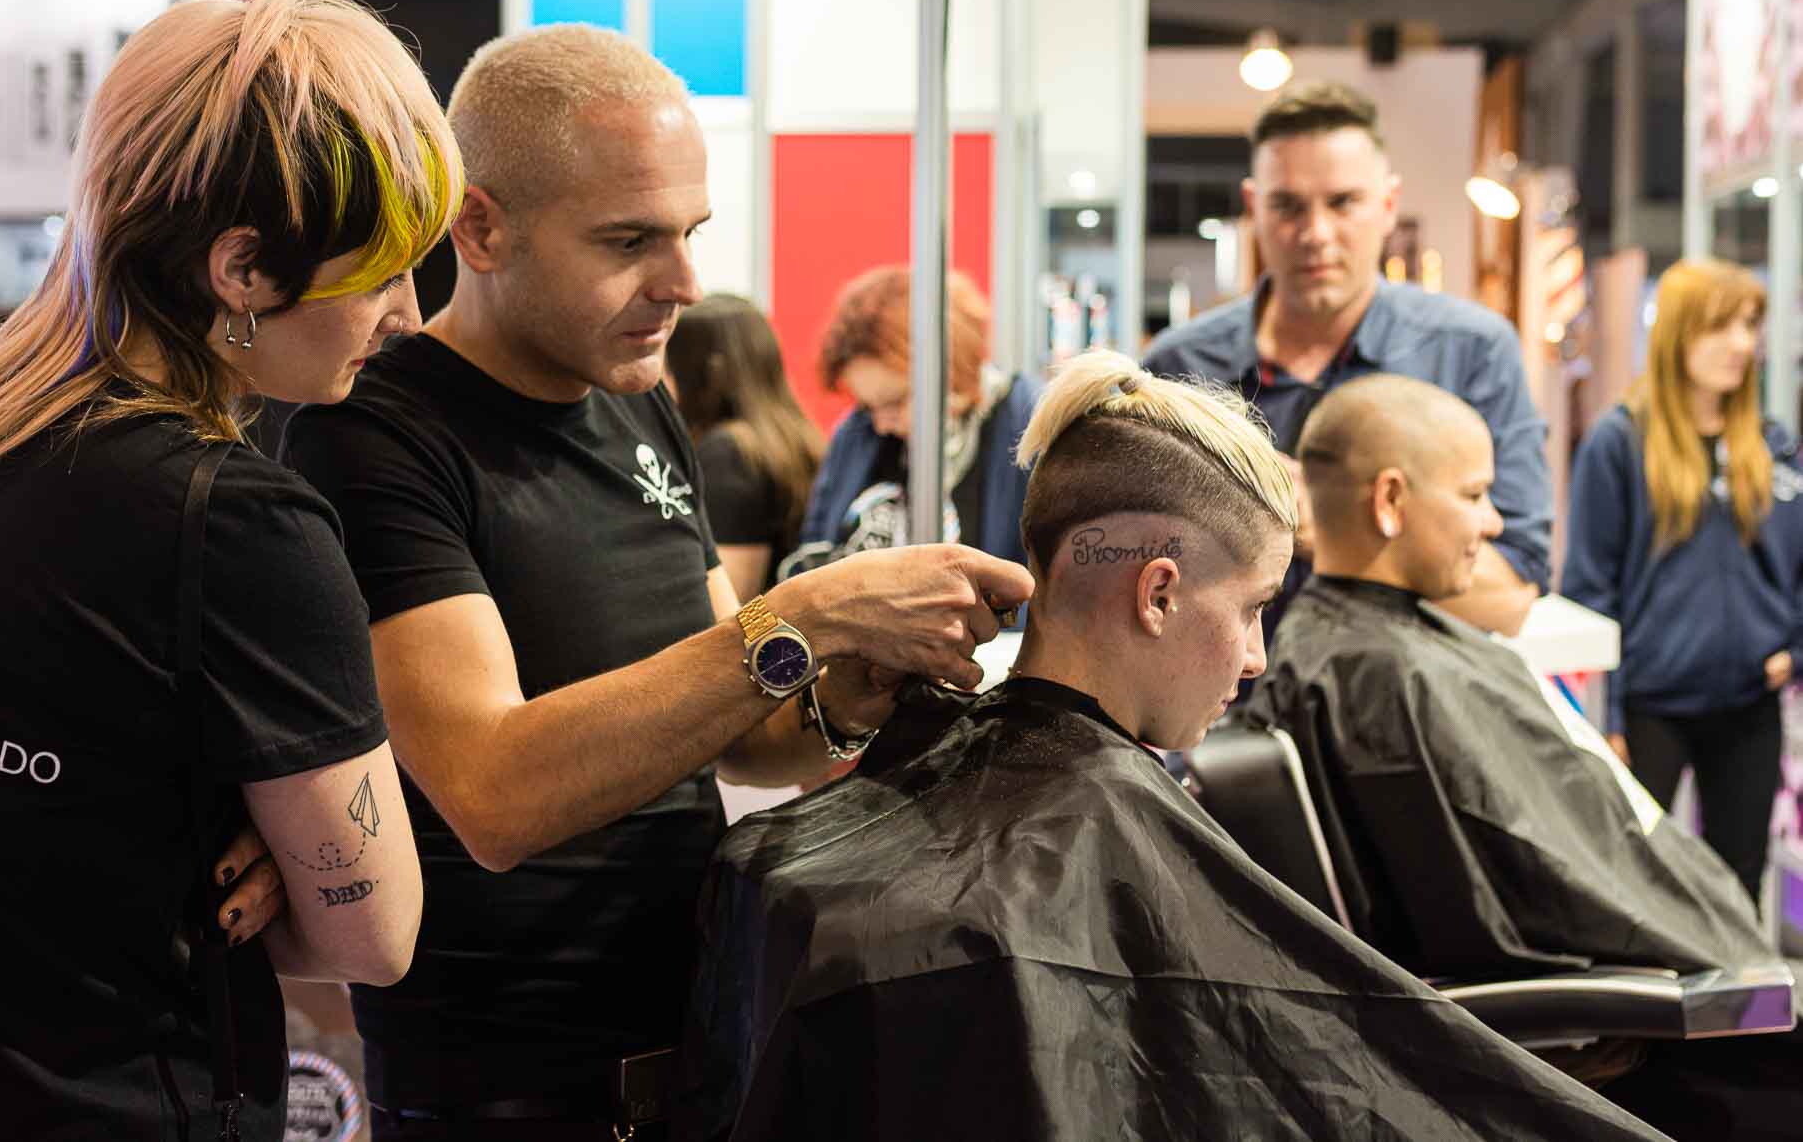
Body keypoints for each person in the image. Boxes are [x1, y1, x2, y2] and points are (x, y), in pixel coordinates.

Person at [282, 23, 1032, 1140]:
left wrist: (846, 689)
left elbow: (740, 733)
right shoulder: (379, 436)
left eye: (690, 232)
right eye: (630, 240)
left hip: (696, 1032)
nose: (683, 281)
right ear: (478, 226)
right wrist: (811, 610)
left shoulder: (641, 403)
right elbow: (494, 792)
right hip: (503, 1081)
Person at [680, 349, 1668, 1142]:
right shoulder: (1040, 869)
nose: (1253, 658)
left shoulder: (868, 834)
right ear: (1156, 591)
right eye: (1249, 609)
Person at [0, 0, 443, 1141]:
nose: (403, 313)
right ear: (244, 268)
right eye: (384, 269)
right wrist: (236, 855)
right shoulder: (235, 521)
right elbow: (373, 937)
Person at [1250, 374, 1796, 1141]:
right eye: (1474, 494)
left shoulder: (1367, 652)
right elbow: (1538, 892)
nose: (1496, 519)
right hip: (1652, 1047)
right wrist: (1738, 967)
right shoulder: (1390, 678)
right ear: (1391, 502)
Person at [1141, 80, 1548, 642]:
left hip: (1403, 717)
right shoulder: (1180, 369)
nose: (1316, 234)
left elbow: (1511, 595)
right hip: (1218, 720)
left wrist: (1332, 526)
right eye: (1288, 206)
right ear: (1255, 208)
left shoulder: (1470, 354)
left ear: (1387, 205)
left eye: (1342, 202)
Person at [1563, 258, 1801, 905]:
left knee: (1736, 886)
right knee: (1632, 885)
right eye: (1720, 325)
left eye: (1750, 324)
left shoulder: (1773, 446)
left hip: (1750, 703)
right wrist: (1601, 716)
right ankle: (1640, 1008)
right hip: (1648, 707)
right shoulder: (1619, 443)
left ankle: (1737, 1008)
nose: (1741, 343)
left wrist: (1794, 648)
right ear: (1676, 333)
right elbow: (1589, 586)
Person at [800, 265, 1037, 568]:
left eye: (896, 402)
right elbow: (813, 556)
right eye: (867, 406)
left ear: (951, 374)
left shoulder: (1029, 429)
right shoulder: (856, 433)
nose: (881, 424)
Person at [665, 293, 822, 600]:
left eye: (670, 368)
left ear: (705, 373)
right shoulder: (793, 438)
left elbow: (730, 602)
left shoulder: (729, 454)